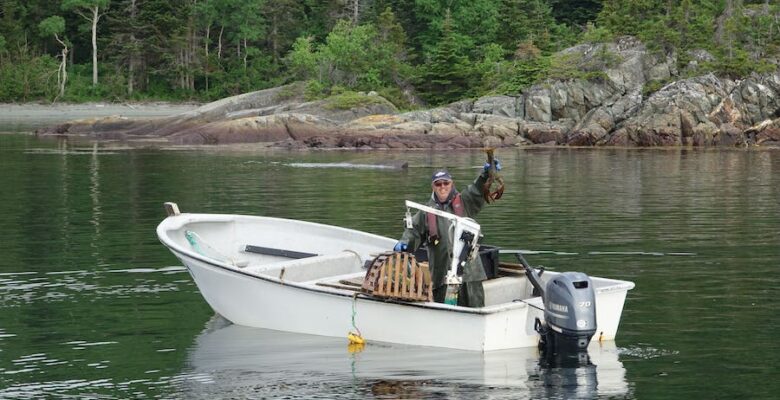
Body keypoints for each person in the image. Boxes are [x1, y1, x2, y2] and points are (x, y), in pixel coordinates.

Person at [394, 160, 501, 307]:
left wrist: (486, 174)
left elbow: (477, 190)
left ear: (451, 184)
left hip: (469, 275)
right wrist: (404, 243)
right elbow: (413, 232)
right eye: (438, 184)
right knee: (446, 314)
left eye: (446, 183)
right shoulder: (425, 212)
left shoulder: (465, 201)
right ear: (433, 187)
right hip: (442, 276)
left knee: (474, 311)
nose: (442, 187)